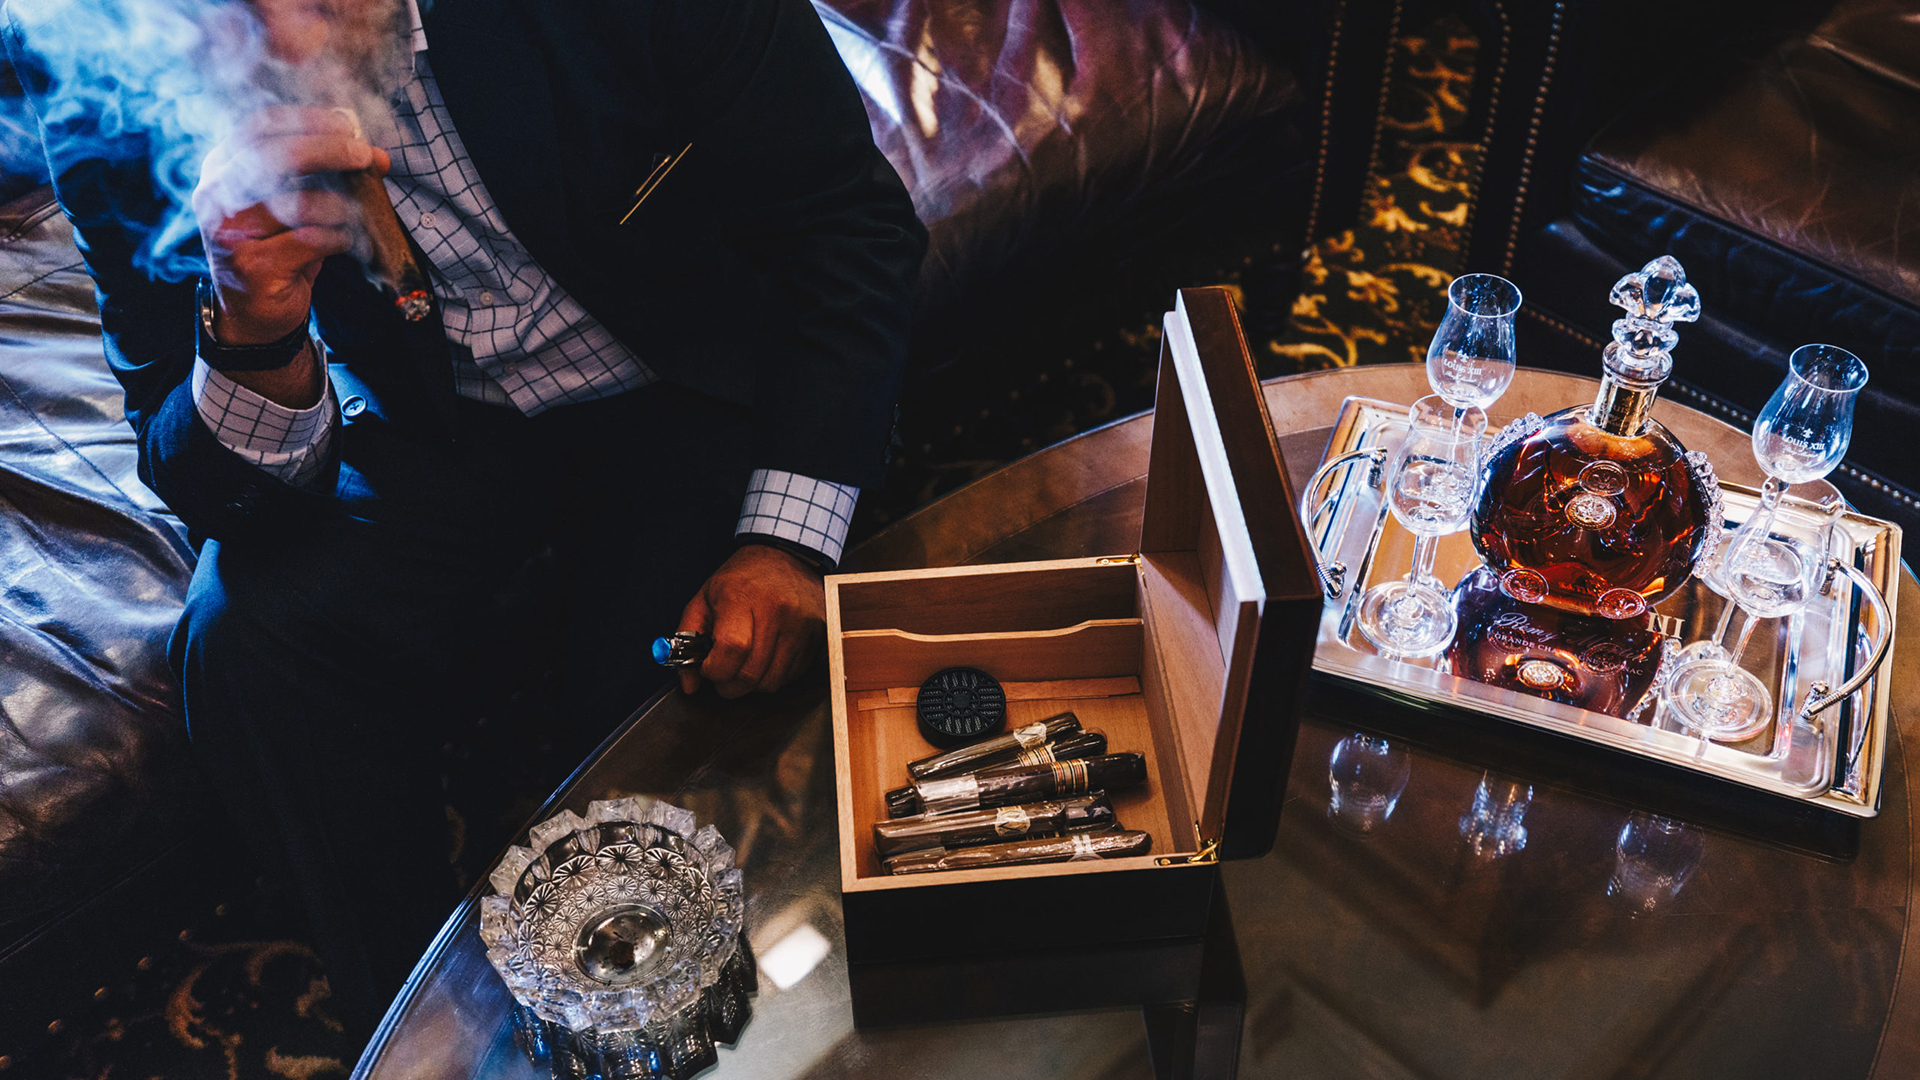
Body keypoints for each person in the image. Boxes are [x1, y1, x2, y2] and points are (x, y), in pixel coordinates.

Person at [5, 0, 925, 1043]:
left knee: (650, 720)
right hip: (423, 419)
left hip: (678, 382)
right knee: (249, 640)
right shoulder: (117, 88)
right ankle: (423, 1027)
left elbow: (845, 224)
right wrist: (254, 330)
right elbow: (199, 476)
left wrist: (786, 543)